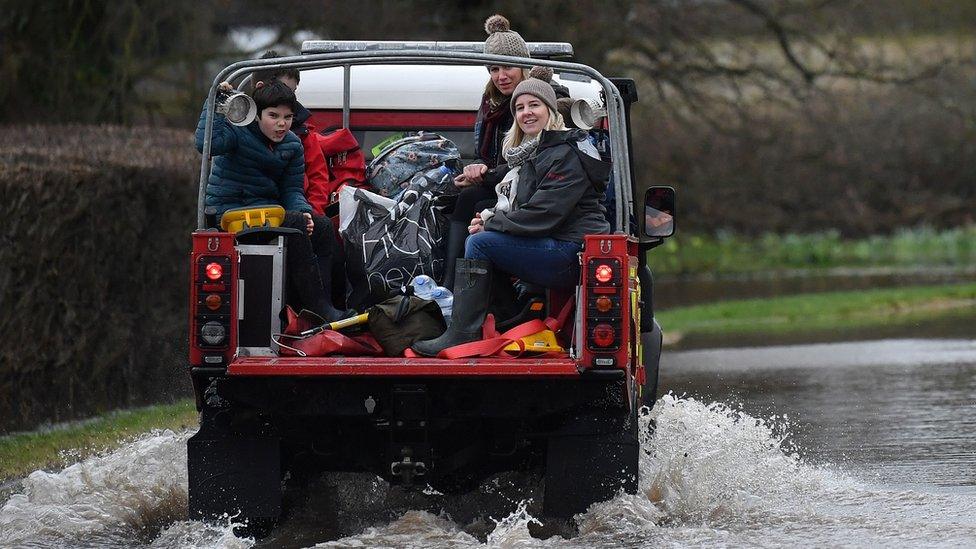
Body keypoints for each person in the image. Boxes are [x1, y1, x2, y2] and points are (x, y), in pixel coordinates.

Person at [412, 68, 611, 356]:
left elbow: (542, 214)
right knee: (480, 228)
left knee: (480, 243)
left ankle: (461, 333)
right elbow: (515, 197)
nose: (526, 113)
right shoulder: (534, 152)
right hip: (556, 243)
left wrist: (492, 223)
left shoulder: (566, 153)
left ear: (550, 110)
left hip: (571, 251)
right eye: (519, 108)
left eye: (534, 105)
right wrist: (487, 215)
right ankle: (509, 316)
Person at [195, 80, 354, 323]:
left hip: (268, 214)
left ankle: (322, 306)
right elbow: (207, 144)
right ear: (256, 115)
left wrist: (304, 211)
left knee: (321, 227)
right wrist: (214, 101)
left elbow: (292, 189)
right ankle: (319, 309)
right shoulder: (236, 133)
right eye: (273, 116)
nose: (281, 123)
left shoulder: (292, 144)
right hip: (230, 213)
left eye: (288, 117)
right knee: (293, 223)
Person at [441, 14, 570, 289]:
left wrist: (487, 177)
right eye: (493, 69)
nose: (500, 76)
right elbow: (489, 155)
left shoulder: (548, 98)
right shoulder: (490, 102)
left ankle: (478, 295)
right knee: (464, 200)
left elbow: (533, 161)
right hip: (504, 179)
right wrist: (476, 169)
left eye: (508, 66)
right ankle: (451, 285)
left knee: (479, 209)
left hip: (527, 184)